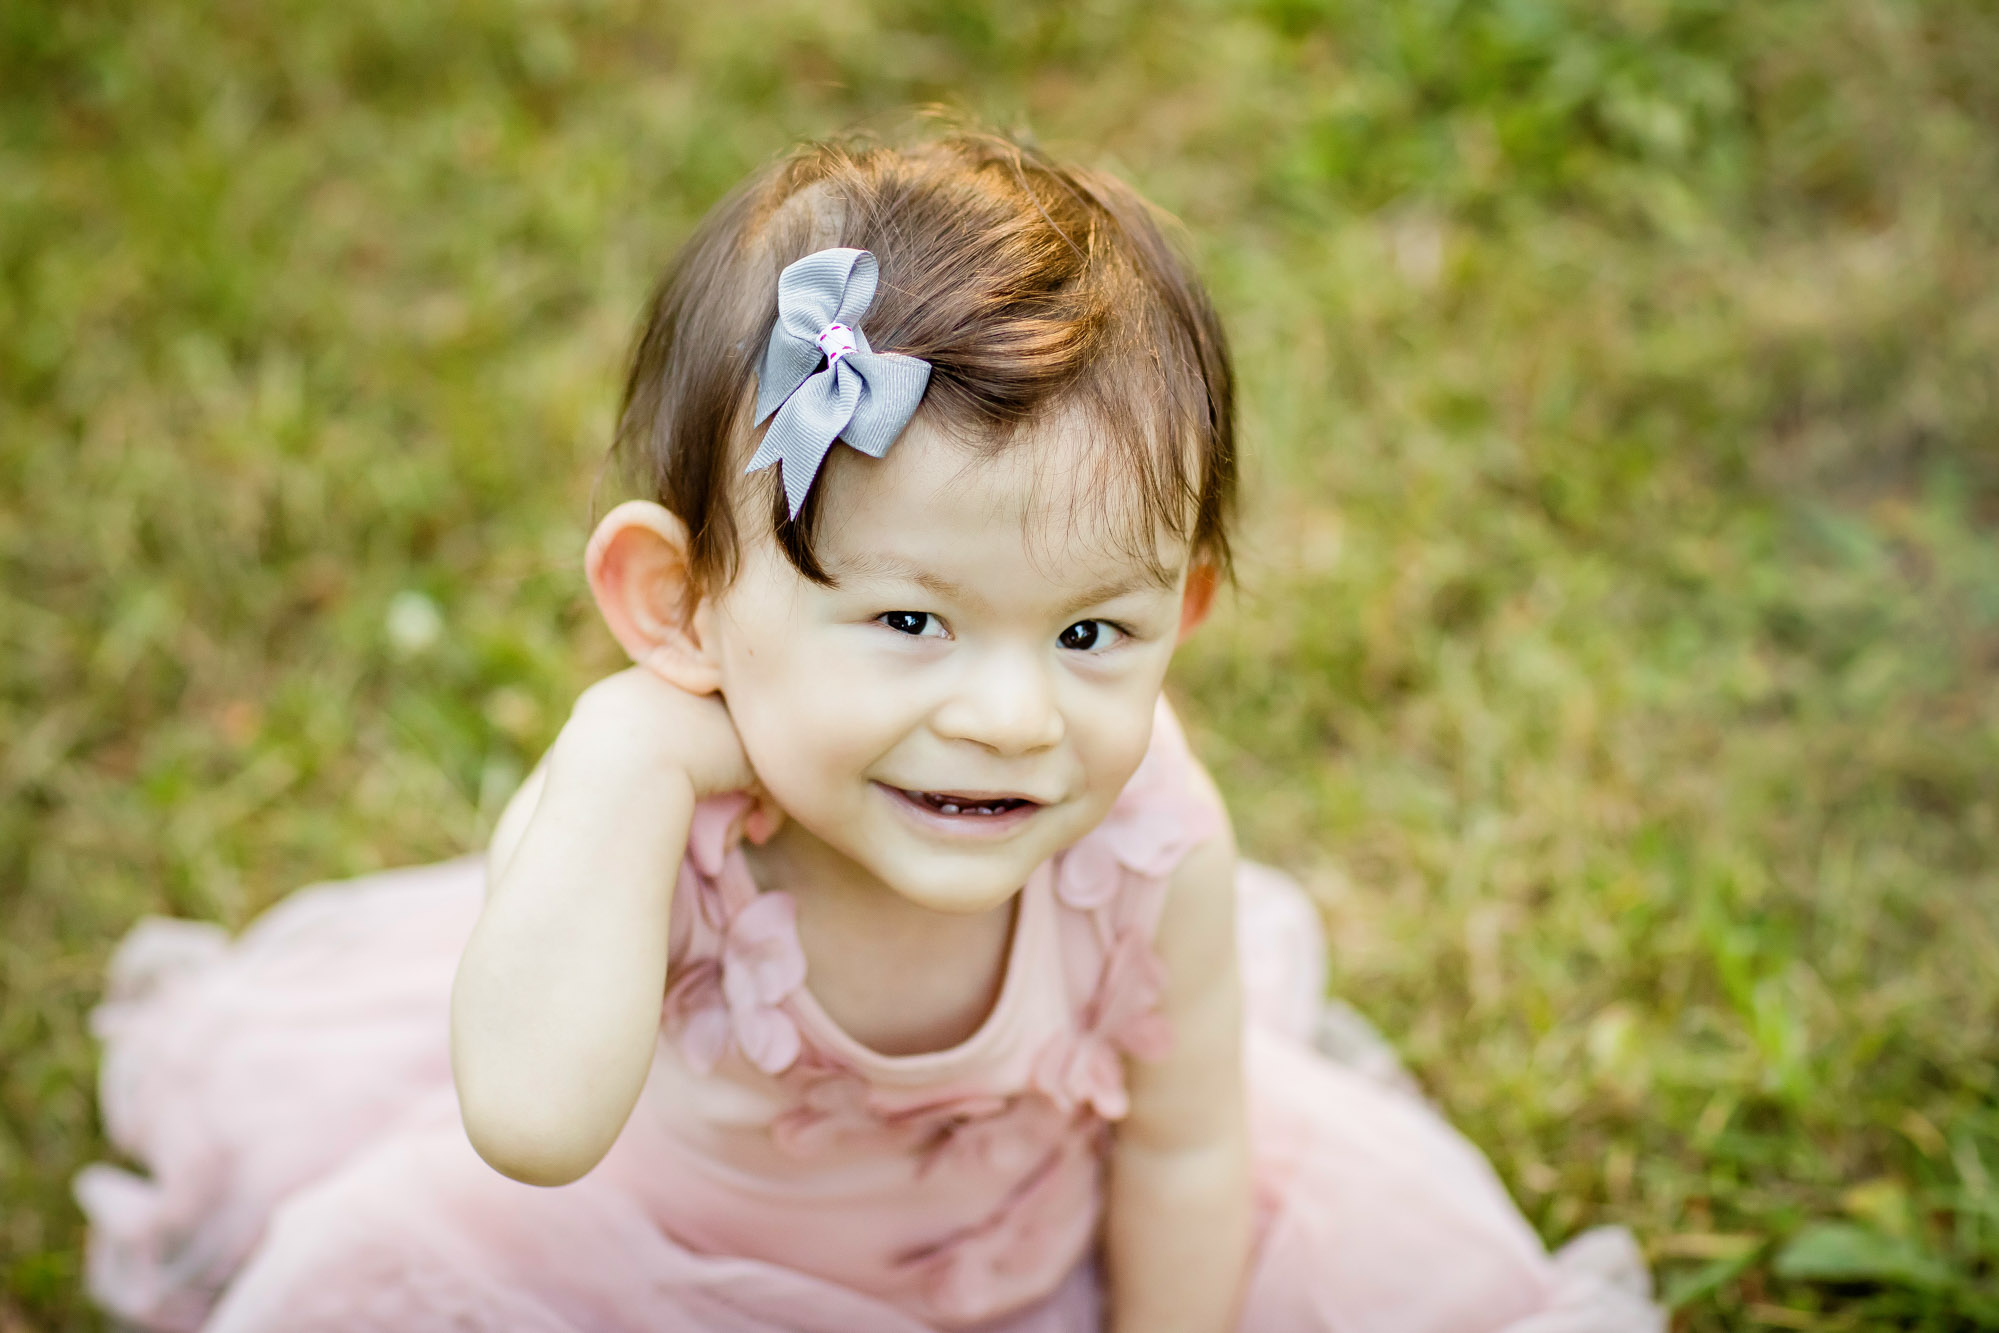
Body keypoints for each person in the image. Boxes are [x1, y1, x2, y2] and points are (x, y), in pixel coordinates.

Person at [76, 130, 1663, 1333]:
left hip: (1030, 1270)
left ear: (1183, 611)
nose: (1009, 716)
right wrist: (631, 753)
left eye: (1090, 632)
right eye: (910, 621)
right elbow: (534, 1124)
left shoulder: (1149, 840)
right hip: (632, 1274)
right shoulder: (642, 815)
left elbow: (1184, 1154)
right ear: (679, 605)